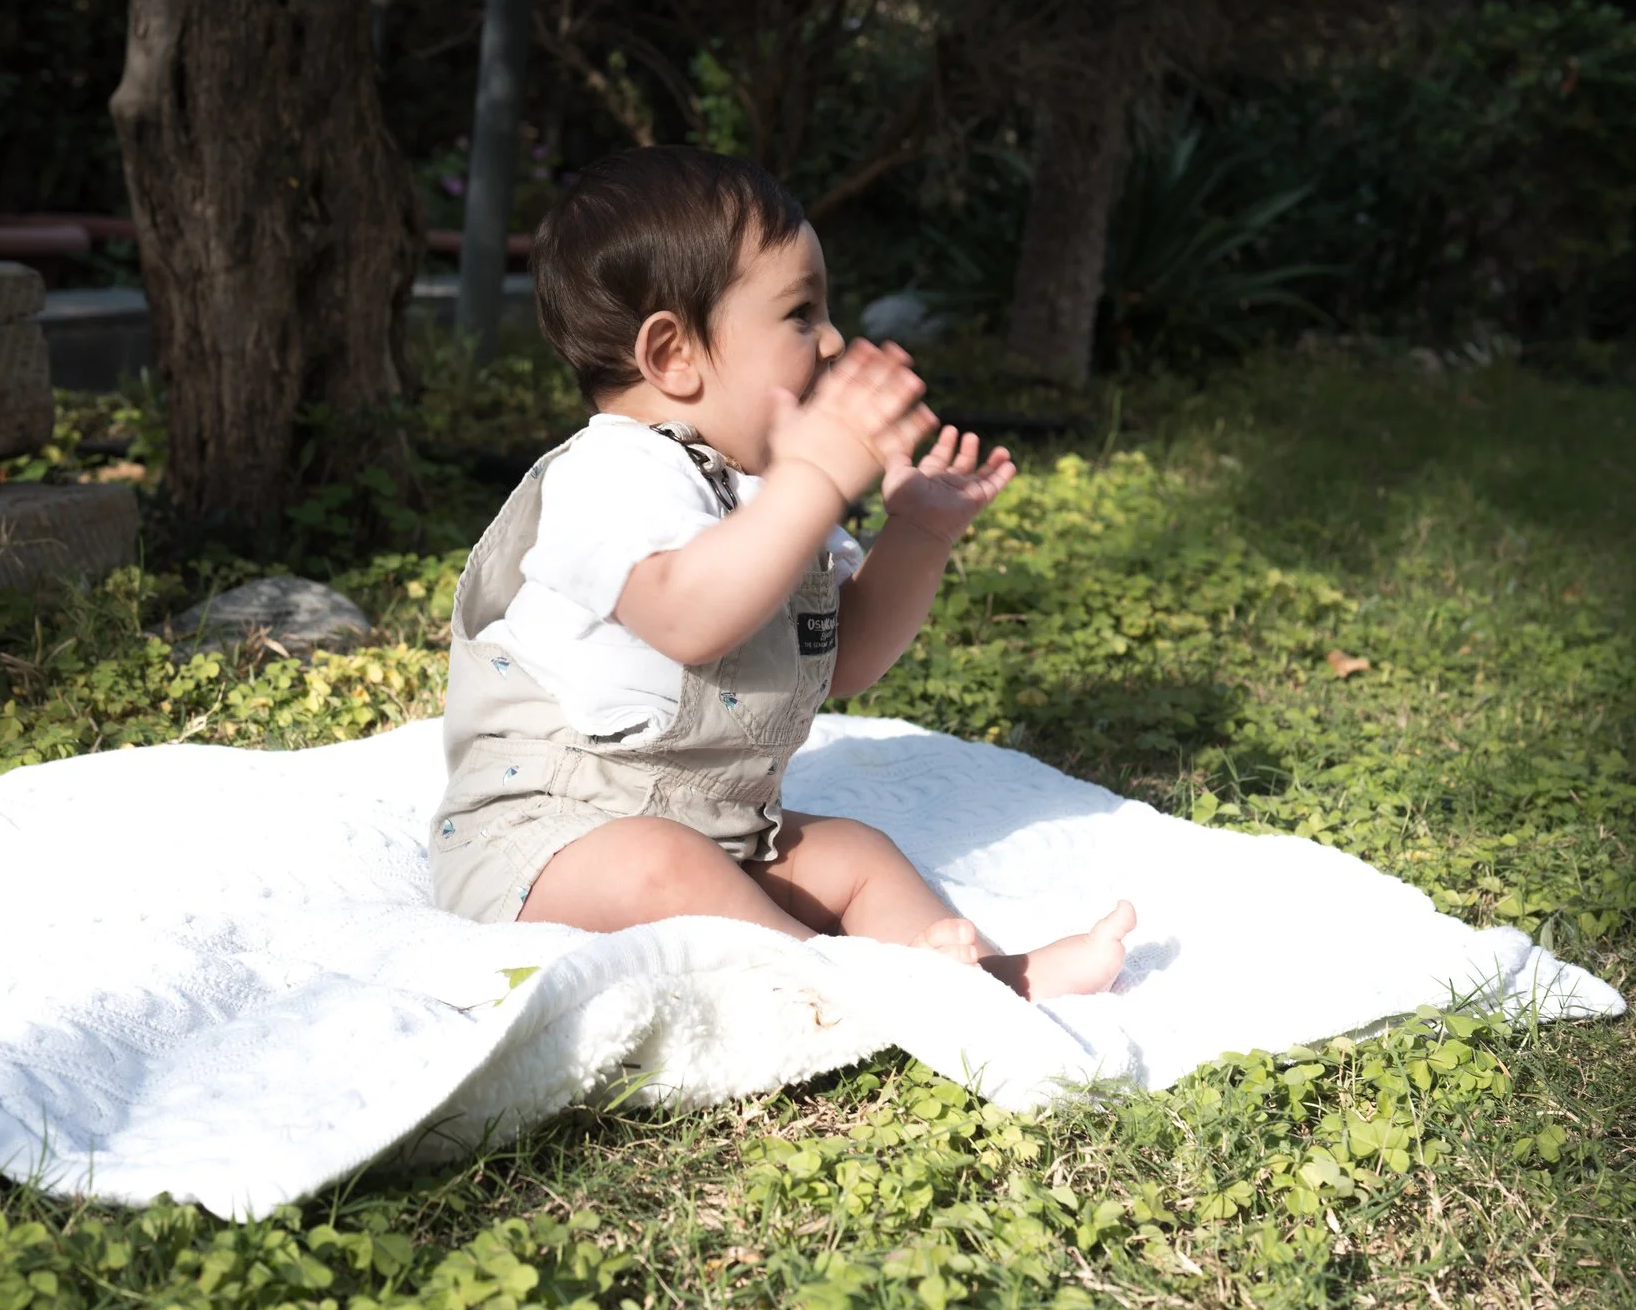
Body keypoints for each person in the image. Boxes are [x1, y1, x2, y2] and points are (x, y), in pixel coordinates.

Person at [428, 145, 1134, 999]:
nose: (834, 338)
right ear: (673, 355)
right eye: (802, 313)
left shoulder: (767, 493)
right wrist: (814, 480)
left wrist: (917, 531)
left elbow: (850, 658)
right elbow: (690, 616)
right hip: (548, 847)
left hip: (720, 830)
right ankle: (853, 988)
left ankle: (989, 980)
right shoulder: (607, 475)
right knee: (663, 864)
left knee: (855, 854)